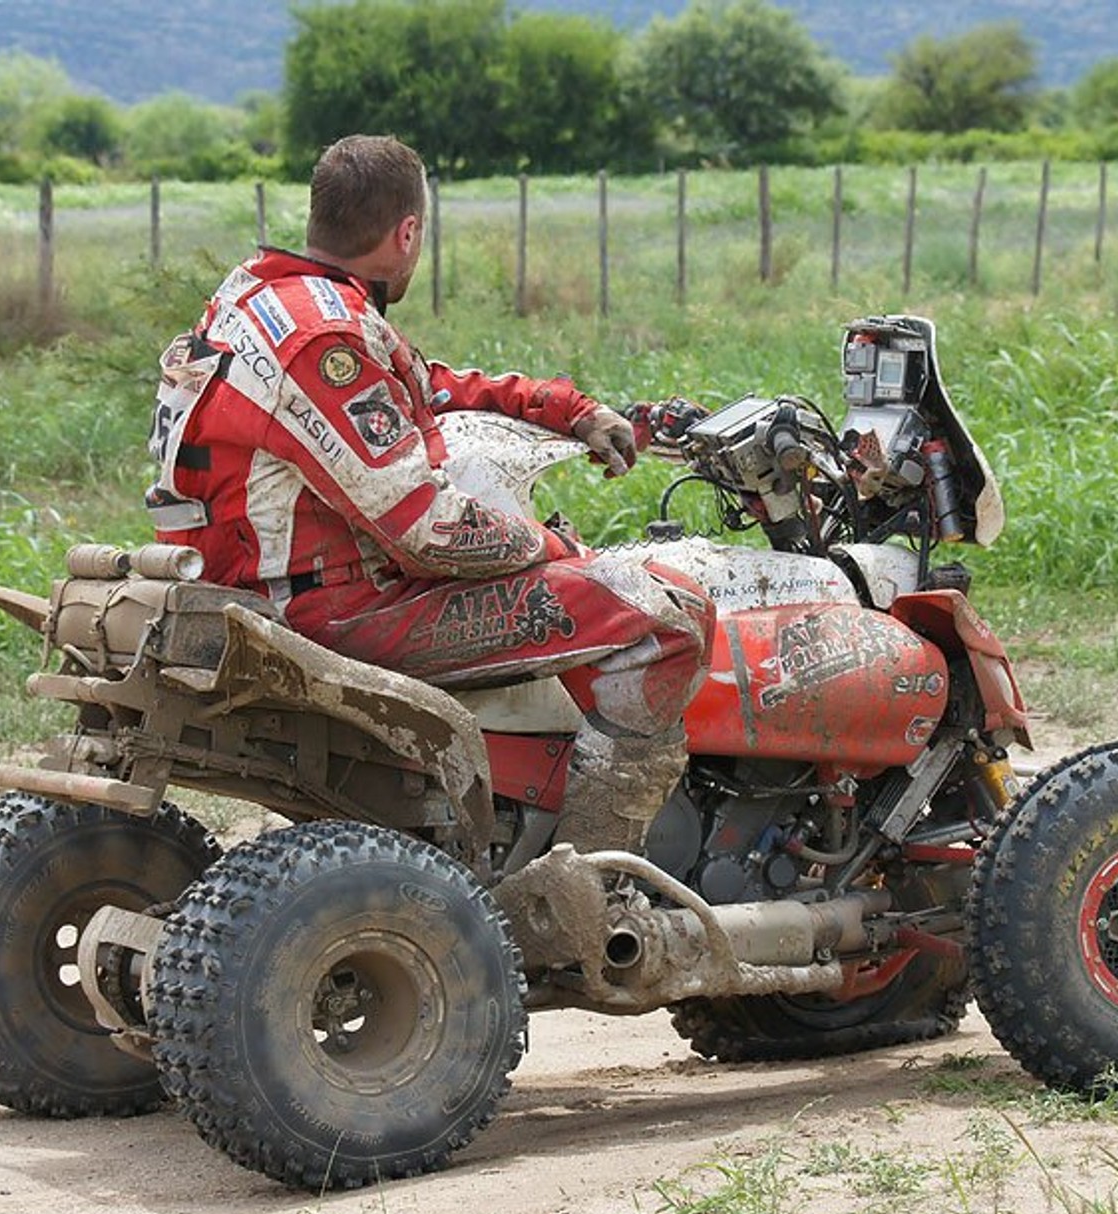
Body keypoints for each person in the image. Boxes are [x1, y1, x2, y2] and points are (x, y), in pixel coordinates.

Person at [145, 133, 714, 855]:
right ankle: (594, 879)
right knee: (668, 613)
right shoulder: (327, 338)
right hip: (319, 611)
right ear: (406, 233)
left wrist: (564, 406)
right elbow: (428, 531)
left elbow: (428, 384)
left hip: (244, 581)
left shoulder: (260, 301)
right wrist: (556, 546)